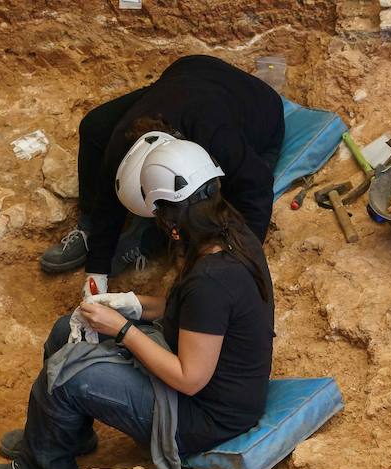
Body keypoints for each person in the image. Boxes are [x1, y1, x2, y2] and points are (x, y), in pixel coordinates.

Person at [0, 140, 275, 469]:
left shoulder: (212, 279)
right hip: (211, 385)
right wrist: (133, 304)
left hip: (205, 416)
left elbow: (189, 378)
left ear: (171, 217)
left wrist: (123, 330)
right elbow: (196, 315)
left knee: (64, 378)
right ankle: (64, 438)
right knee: (66, 332)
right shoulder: (230, 233)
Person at [39, 54, 284, 294]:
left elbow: (257, 189)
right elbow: (107, 199)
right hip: (189, 70)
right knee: (95, 125)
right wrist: (97, 272)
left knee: (214, 204)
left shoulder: (218, 136)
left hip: (258, 106)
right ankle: (88, 229)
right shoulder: (123, 140)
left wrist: (239, 265)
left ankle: (151, 238)